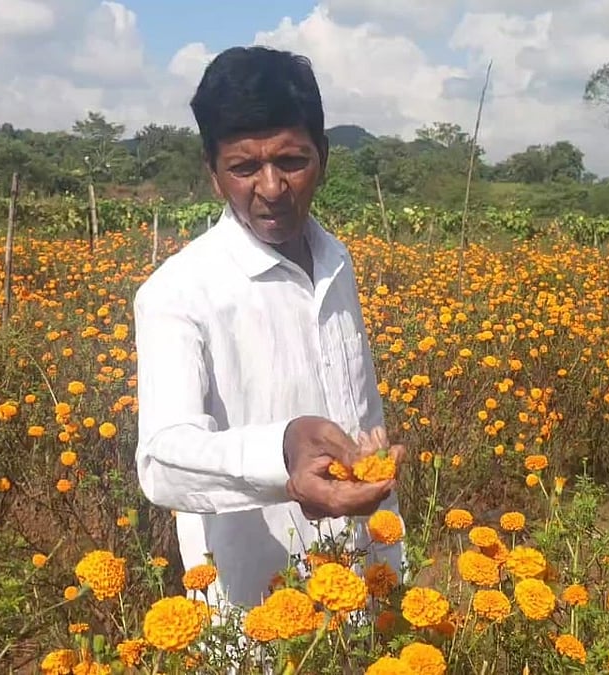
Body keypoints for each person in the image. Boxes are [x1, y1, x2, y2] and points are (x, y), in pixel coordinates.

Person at [132, 45, 406, 614]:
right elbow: (162, 459)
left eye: (291, 161)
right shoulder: (177, 292)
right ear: (213, 174)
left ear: (323, 158)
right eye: (244, 167)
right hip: (257, 599)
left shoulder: (337, 261)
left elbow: (360, 409)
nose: (272, 187)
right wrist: (281, 454)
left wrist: (372, 463)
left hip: (367, 568)